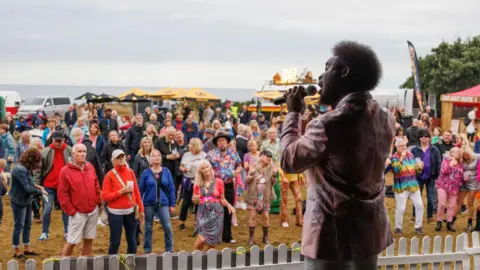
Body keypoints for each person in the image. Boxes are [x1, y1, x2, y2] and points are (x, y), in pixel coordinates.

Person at [281, 41, 394, 269]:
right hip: (370, 231)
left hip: (330, 235)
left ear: (345, 72)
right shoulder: (386, 117)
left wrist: (293, 114)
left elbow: (288, 161)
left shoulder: (328, 124)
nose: (320, 78)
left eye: (327, 68)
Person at [58, 144, 102, 256]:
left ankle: (85, 265)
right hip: (77, 212)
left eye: (84, 151)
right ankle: (63, 265)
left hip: (92, 210)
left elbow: (96, 184)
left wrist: (98, 202)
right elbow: (62, 194)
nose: (82, 154)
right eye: (79, 151)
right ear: (73, 154)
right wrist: (72, 211)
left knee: (89, 239)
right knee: (72, 241)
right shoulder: (65, 171)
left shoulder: (90, 166)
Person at [102, 149, 145, 255]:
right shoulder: (109, 175)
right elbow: (105, 196)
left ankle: (131, 263)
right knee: (115, 241)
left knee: (132, 240)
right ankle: (111, 263)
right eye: (118, 157)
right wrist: (120, 192)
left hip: (130, 211)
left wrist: (141, 209)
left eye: (122, 156)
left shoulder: (130, 172)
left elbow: (136, 191)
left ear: (125, 158)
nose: (121, 159)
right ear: (113, 161)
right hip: (115, 213)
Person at [9, 149, 47, 260]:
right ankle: (16, 250)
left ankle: (27, 248)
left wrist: (37, 186)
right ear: (31, 160)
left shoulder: (26, 168)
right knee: (19, 226)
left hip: (27, 200)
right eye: (37, 161)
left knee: (28, 225)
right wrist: (40, 192)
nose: (38, 164)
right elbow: (26, 188)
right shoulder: (20, 170)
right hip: (18, 201)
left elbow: (29, 183)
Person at [206, 131, 242, 244]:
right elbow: (205, 168)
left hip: (229, 184)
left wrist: (237, 171)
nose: (221, 143)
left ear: (227, 143)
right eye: (219, 141)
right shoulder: (211, 154)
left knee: (228, 210)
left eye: (223, 141)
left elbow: (239, 164)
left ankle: (227, 236)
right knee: (215, 211)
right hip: (215, 185)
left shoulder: (233, 153)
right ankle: (213, 236)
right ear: (217, 143)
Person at [37, 131, 72, 240]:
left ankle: (67, 232)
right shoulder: (46, 151)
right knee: (47, 209)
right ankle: (45, 232)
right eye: (56, 141)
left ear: (64, 140)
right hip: (49, 185)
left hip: (64, 186)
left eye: (59, 141)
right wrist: (38, 185)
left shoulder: (69, 150)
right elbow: (39, 169)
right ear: (52, 140)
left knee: (65, 210)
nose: (57, 143)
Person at [192, 160, 235, 251]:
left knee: (212, 243)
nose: (206, 169)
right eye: (203, 168)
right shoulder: (197, 184)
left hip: (216, 214)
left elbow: (222, 198)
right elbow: (195, 200)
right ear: (200, 171)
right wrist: (195, 199)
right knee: (201, 240)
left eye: (207, 167)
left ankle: (208, 262)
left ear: (211, 168)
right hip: (203, 213)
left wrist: (229, 206)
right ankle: (195, 257)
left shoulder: (219, 182)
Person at [139, 150, 176, 253]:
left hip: (163, 203)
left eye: (159, 156)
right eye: (154, 156)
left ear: (161, 158)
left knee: (167, 227)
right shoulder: (146, 173)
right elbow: (140, 190)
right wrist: (139, 205)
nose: (156, 158)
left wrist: (172, 204)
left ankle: (169, 249)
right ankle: (147, 250)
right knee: (148, 228)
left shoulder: (166, 171)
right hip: (148, 204)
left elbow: (172, 189)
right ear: (150, 159)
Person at [386, 138, 424, 235]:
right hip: (401, 187)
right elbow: (396, 170)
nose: (403, 148)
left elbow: (416, 171)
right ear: (396, 147)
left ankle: (418, 226)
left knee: (420, 205)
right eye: (401, 146)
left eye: (405, 146)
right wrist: (401, 158)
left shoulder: (411, 155)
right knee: (401, 208)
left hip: (413, 185)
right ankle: (398, 227)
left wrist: (419, 168)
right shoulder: (394, 158)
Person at [245, 150, 277, 245]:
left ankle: (265, 238)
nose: (268, 158)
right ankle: (251, 238)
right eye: (267, 156)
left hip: (265, 196)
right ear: (261, 156)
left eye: (270, 157)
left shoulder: (272, 168)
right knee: (253, 216)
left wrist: (274, 175)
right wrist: (251, 175)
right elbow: (246, 181)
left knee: (266, 216)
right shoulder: (253, 166)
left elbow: (274, 183)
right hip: (253, 196)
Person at [178, 138, 207, 231]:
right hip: (188, 181)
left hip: (200, 182)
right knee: (186, 202)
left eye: (191, 145)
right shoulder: (186, 155)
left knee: (199, 203)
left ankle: (197, 223)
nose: (189, 146)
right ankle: (181, 222)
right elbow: (181, 166)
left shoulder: (204, 155)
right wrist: (184, 169)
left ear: (196, 146)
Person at [436, 147, 464, 232]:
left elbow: (461, 176)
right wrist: (451, 164)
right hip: (443, 186)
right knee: (442, 204)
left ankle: (449, 223)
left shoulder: (460, 164)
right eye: (456, 153)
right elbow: (444, 171)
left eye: (459, 153)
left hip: (454, 188)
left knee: (451, 206)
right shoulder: (446, 161)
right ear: (451, 153)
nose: (458, 155)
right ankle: (439, 221)